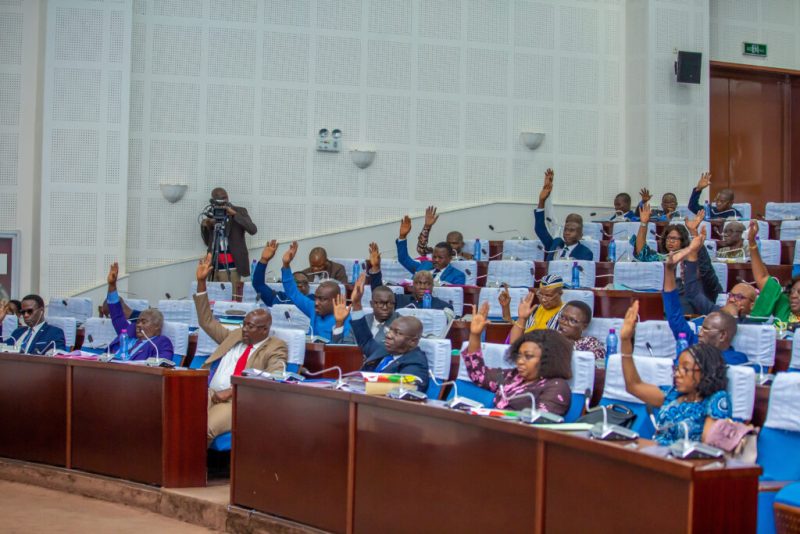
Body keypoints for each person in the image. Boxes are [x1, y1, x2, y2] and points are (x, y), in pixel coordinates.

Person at [194, 255, 288, 442]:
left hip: (236, 401)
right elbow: (206, 321)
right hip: (209, 392)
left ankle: (191, 470)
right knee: (181, 420)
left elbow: (273, 378)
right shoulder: (236, 336)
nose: (245, 329)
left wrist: (231, 391)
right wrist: (201, 283)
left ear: (265, 329)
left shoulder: (276, 347)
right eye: (244, 324)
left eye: (250, 326)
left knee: (203, 429)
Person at [618, 300, 731, 446]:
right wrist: (625, 340)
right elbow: (633, 385)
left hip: (686, 462)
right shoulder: (672, 394)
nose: (677, 374)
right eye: (677, 369)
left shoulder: (716, 399)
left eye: (685, 369)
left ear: (705, 372)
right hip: (657, 456)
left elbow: (709, 443)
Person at [462, 301, 572, 414]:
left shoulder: (556, 386)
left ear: (549, 358)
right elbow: (479, 375)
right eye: (519, 355)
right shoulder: (512, 376)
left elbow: (540, 423)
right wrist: (475, 335)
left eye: (528, 356)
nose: (519, 361)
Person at [662, 236, 748, 365]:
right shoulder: (693, 342)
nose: (700, 333)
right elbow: (673, 315)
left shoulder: (736, 359)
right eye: (702, 328)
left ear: (723, 335)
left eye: (706, 329)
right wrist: (669, 271)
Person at [333, 278, 429, 389]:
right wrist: (356, 304)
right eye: (390, 330)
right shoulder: (386, 351)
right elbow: (365, 339)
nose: (388, 335)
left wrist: (361, 387)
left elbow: (407, 390)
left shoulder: (415, 362)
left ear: (413, 341)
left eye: (397, 333)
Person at [633, 207, 723, 314]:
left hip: (686, 300)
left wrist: (694, 232)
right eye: (668, 238)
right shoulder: (661, 258)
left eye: (674, 239)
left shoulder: (691, 259)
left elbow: (706, 269)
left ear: (683, 240)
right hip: (664, 296)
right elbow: (641, 253)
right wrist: (643, 224)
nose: (670, 241)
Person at [281, 241, 351, 341]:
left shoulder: (347, 318)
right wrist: (286, 265)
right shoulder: (313, 308)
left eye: (322, 299)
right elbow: (293, 293)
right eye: (316, 298)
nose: (317, 303)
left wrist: (339, 324)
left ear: (335, 301)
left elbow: (344, 351)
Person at [105, 263, 173, 361]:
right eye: (138, 321)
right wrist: (112, 285)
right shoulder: (129, 333)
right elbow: (117, 315)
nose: (138, 325)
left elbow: (160, 366)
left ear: (157, 326)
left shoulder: (161, 342)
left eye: (144, 322)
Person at [367, 243, 454, 313]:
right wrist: (376, 268)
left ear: (432, 286)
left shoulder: (443, 307)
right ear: (412, 286)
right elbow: (379, 294)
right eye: (418, 283)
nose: (422, 287)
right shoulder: (400, 300)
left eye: (427, 284)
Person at [748, 220, 800, 328]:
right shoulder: (784, 305)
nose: (794, 295)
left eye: (799, 293)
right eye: (792, 291)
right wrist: (752, 242)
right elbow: (762, 278)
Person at [200, 187, 257, 283]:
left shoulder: (240, 211)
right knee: (213, 296)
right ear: (212, 200)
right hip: (212, 266)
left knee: (232, 296)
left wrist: (234, 214)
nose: (221, 201)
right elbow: (207, 242)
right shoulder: (211, 213)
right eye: (218, 199)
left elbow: (253, 230)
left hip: (233, 267)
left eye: (223, 198)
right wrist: (207, 226)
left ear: (227, 197)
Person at [534, 169, 593, 260]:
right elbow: (540, 229)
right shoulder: (555, 244)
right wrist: (541, 201)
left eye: (572, 230)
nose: (567, 233)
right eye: (566, 229)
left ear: (581, 235)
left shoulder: (586, 253)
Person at [396, 216, 466, 285]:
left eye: (440, 257)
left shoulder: (458, 275)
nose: (436, 260)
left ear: (449, 258)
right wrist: (402, 237)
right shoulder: (425, 265)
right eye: (434, 257)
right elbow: (403, 259)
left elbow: (455, 294)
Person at [332, 275, 398, 344]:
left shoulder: (401, 323)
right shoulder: (362, 321)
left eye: (390, 303)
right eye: (380, 303)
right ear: (371, 304)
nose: (385, 307)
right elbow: (343, 349)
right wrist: (339, 323)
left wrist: (357, 303)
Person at [507, 275, 565, 344]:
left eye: (548, 296)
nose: (543, 299)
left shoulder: (566, 313)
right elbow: (514, 343)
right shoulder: (534, 310)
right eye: (541, 294)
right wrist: (522, 319)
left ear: (560, 293)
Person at [252, 240, 313, 306]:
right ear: (289, 285)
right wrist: (264, 260)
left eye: (305, 283)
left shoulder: (314, 301)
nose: (301, 286)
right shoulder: (279, 299)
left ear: (309, 287)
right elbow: (258, 285)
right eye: (297, 282)